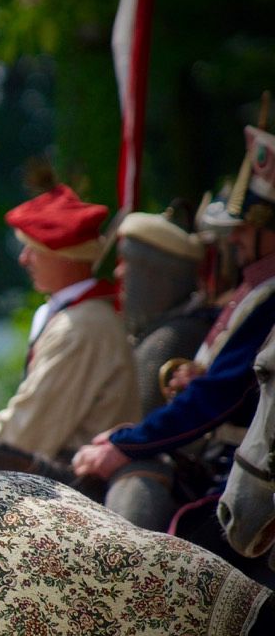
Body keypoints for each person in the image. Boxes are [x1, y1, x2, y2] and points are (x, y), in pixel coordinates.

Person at [74, 121, 275, 558]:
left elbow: (220, 394)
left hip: (237, 470)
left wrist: (131, 443)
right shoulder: (254, 291)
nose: (235, 238)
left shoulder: (269, 299)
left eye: (246, 228)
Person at [0, 183, 140, 458]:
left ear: (66, 257)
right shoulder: (77, 315)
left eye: (33, 248)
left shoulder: (80, 327)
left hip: (74, 476)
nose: (23, 259)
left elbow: (27, 435)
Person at [115, 205, 214, 416]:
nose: (118, 272)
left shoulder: (174, 337)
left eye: (127, 263)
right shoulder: (159, 330)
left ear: (154, 274)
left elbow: (138, 419)